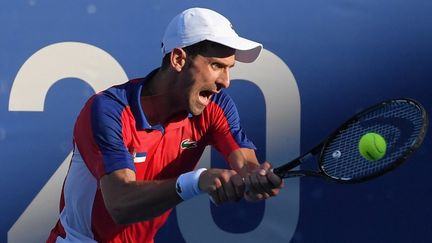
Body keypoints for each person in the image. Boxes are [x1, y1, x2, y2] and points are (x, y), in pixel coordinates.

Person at [47, 7, 283, 243]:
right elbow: (120, 204)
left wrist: (257, 179)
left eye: (229, 68)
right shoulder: (109, 111)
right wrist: (196, 181)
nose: (226, 81)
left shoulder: (216, 106)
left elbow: (246, 164)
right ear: (178, 59)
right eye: (216, 66)